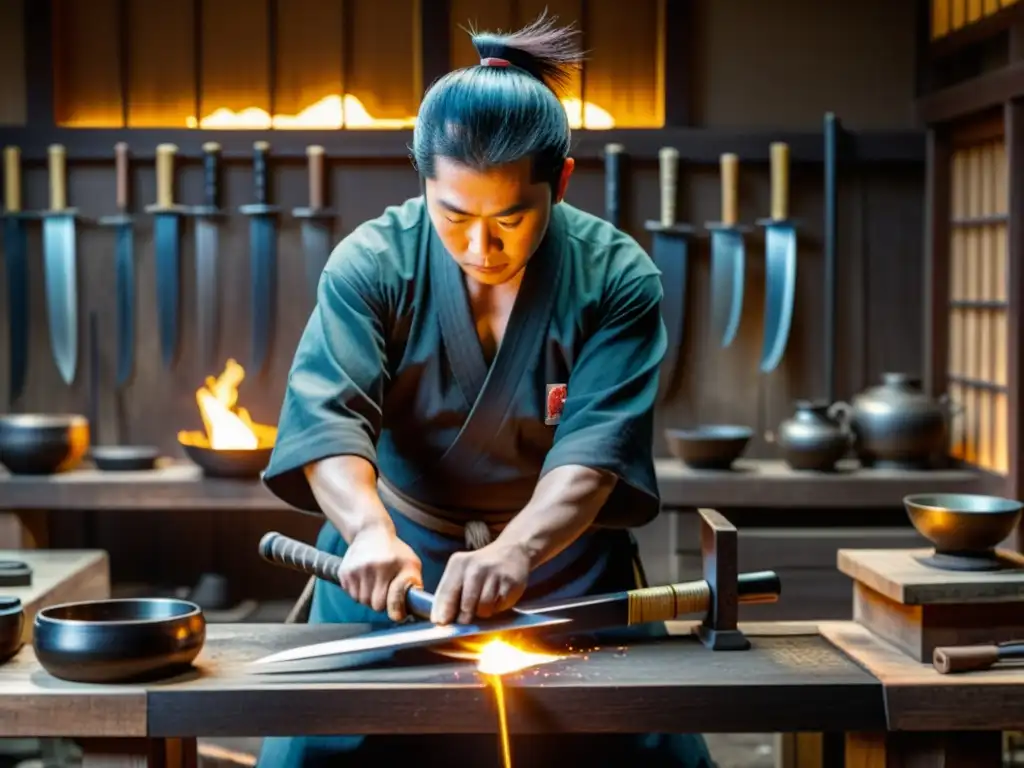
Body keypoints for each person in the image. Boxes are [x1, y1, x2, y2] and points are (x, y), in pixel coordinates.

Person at [256, 12, 715, 768]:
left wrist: (520, 548)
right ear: (423, 180)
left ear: (559, 183)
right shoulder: (371, 264)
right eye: (454, 215)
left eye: (511, 217)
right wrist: (368, 533)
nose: (479, 247)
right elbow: (329, 418)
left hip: (561, 572)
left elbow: (597, 449)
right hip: (390, 573)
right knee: (310, 755)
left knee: (654, 752)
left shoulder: (616, 277)